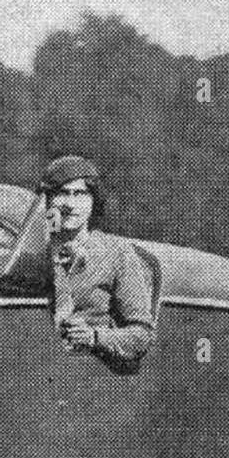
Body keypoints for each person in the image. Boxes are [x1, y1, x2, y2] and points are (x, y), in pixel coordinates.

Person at [40, 155, 155, 372]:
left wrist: (95, 337)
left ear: (94, 200)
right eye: (62, 193)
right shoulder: (37, 249)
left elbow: (143, 334)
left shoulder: (115, 252)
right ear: (48, 200)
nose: (70, 204)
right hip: (37, 364)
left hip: (91, 373)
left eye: (81, 193)